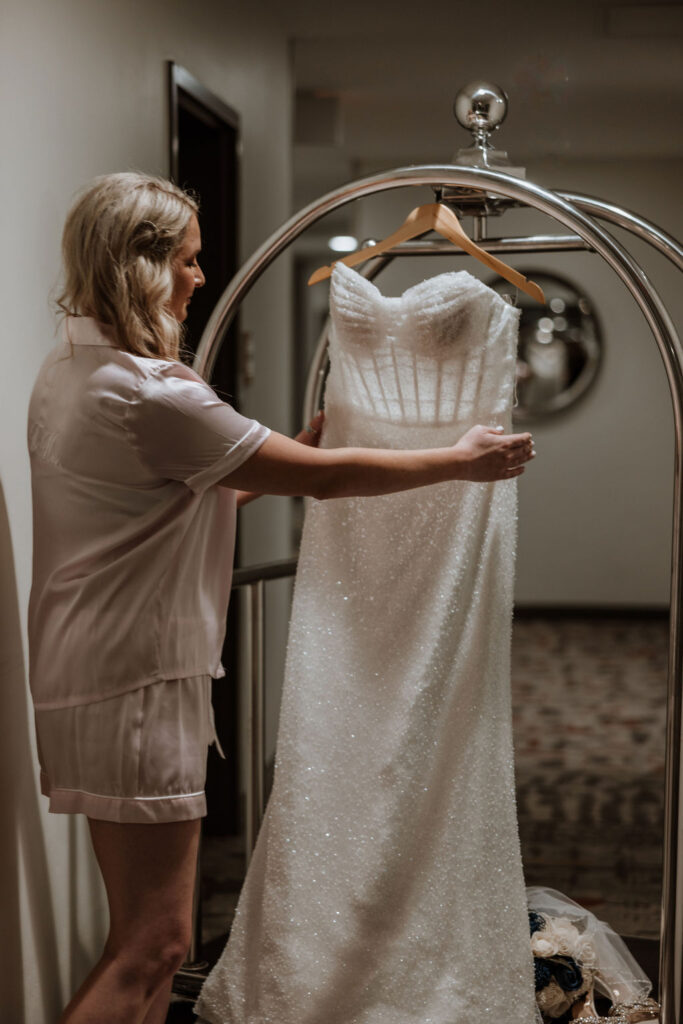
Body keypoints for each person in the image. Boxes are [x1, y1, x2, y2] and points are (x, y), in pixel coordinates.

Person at [27, 171, 535, 1024]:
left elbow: (172, 498)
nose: (198, 277)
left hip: (91, 665)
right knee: (152, 945)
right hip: (133, 681)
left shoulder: (71, 371)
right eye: (187, 263)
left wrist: (286, 450)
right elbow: (326, 479)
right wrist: (460, 460)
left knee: (149, 941)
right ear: (140, 268)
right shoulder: (155, 393)